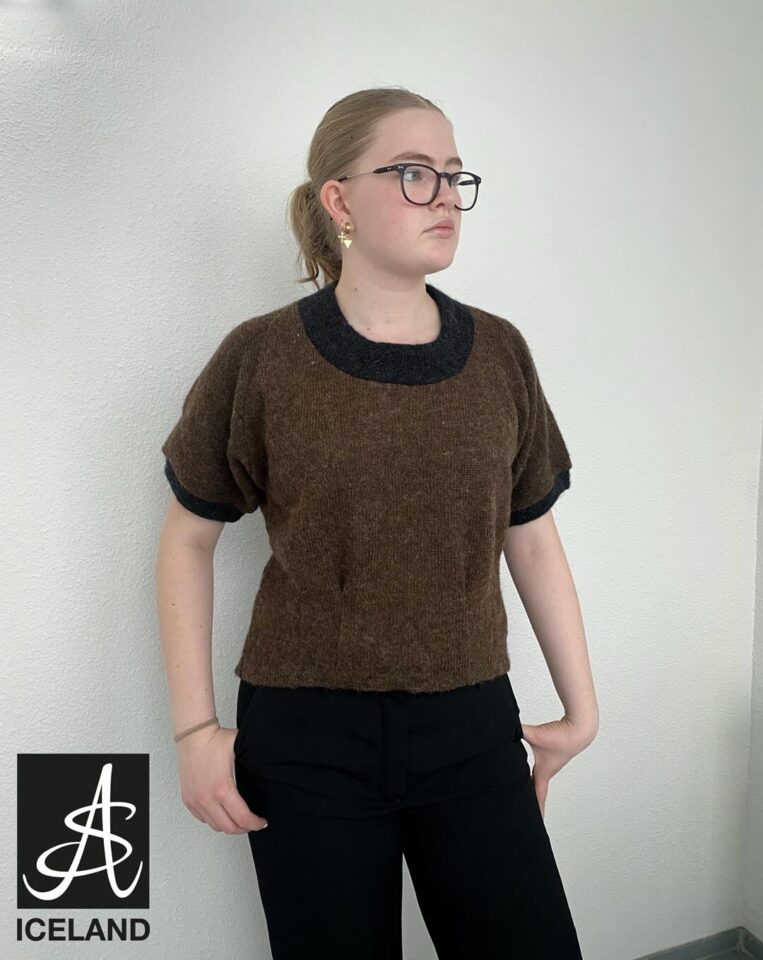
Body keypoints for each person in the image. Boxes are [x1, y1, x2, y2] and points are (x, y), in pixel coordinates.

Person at [155, 85, 598, 959]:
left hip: (472, 723)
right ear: (339, 199)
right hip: (305, 734)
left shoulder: (499, 353)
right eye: (413, 172)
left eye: (454, 175)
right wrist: (195, 732)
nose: (444, 196)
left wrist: (579, 712)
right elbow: (187, 537)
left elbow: (532, 536)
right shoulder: (261, 356)